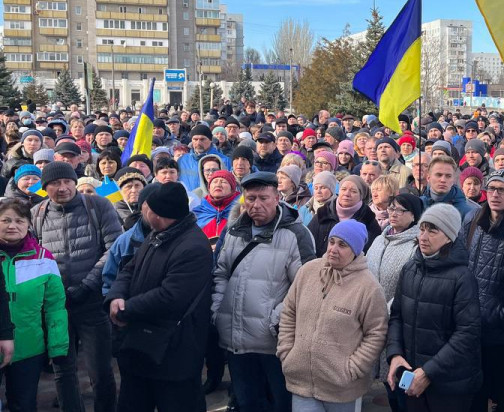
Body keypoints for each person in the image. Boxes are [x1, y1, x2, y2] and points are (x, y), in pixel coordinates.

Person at [211, 172, 315, 412]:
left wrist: (276, 319)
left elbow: (305, 285)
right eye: (250, 198)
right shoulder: (234, 231)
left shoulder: (295, 234)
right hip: (236, 340)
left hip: (274, 343)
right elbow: (220, 274)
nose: (256, 205)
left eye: (263, 198)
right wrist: (218, 311)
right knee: (247, 403)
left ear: (277, 198)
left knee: (281, 403)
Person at [105, 182, 212, 411]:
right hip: (141, 346)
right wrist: (116, 297)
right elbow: (129, 269)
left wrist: (126, 309)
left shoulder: (193, 246)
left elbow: (171, 296)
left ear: (155, 213)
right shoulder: (157, 234)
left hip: (173, 353)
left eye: (144, 207)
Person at [32, 161, 121, 412]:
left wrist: (88, 284)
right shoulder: (37, 213)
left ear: (75, 182)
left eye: (67, 181)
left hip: (92, 302)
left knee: (100, 371)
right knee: (63, 370)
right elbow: (34, 256)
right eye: (54, 184)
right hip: (56, 305)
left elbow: (114, 248)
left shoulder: (98, 205)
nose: (62, 188)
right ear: (45, 187)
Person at [277, 220, 389, 412]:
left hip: (342, 388)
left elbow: (376, 333)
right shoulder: (307, 272)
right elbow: (289, 312)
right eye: (331, 242)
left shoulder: (368, 287)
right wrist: (287, 352)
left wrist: (353, 369)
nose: (333, 249)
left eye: (342, 245)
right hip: (301, 382)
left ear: (355, 250)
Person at [386, 203, 482, 412]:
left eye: (432, 230)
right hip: (413, 376)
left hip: (450, 386)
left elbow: (467, 333)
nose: (423, 236)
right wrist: (395, 354)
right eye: (422, 229)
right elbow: (396, 316)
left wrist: (429, 372)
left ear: (449, 236)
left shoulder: (462, 277)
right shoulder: (411, 268)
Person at [460, 169, 504, 412]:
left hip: (503, 332)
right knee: (474, 393)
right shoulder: (472, 220)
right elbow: (460, 262)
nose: (495, 195)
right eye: (491, 189)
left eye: (502, 190)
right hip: (470, 326)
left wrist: (501, 313)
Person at [0, 199, 69, 412]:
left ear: (29, 224)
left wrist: (57, 347)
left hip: (29, 347)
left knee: (24, 404)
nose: (13, 226)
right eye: (5, 220)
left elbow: (55, 307)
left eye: (20, 221)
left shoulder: (43, 259)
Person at [367, 193, 424, 412]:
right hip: (375, 320)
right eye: (391, 208)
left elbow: (412, 283)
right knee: (386, 379)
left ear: (413, 215)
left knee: (402, 380)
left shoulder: (416, 243)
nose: (394, 214)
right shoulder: (380, 239)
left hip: (400, 320)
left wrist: (388, 308)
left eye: (401, 210)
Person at [309, 175, 381, 257]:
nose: (347, 194)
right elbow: (307, 245)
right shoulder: (322, 215)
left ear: (361, 196)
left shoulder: (368, 221)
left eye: (353, 191)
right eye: (343, 189)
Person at [420, 154, 479, 219]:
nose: (443, 180)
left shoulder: (469, 212)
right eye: (439, 175)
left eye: (448, 176)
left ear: (453, 179)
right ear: (428, 178)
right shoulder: (418, 205)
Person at [194, 170, 241, 249]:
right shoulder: (198, 212)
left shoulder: (241, 210)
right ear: (209, 187)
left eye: (224, 182)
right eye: (215, 182)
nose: (218, 185)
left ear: (232, 188)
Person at [178, 124, 231, 192]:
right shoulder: (182, 160)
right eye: (195, 139)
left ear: (210, 140)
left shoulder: (223, 161)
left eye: (202, 139)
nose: (198, 143)